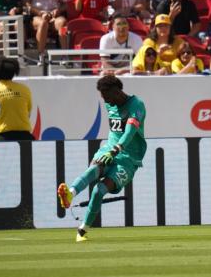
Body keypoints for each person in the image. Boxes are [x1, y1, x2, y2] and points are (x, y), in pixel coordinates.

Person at [57, 75, 147, 242]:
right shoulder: (109, 103)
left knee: (99, 191)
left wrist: (115, 150)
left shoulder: (137, 105)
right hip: (108, 150)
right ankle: (70, 193)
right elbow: (116, 130)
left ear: (116, 91)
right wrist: (109, 151)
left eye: (106, 95)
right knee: (94, 169)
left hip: (129, 159)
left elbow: (129, 132)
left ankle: (82, 230)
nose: (104, 99)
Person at [21, 0, 68, 66]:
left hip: (54, 15)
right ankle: (41, 55)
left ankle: (65, 54)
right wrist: (41, 13)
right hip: (36, 16)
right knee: (43, 23)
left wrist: (58, 10)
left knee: (63, 24)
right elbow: (26, 4)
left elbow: (65, 4)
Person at [0, 56, 35, 141]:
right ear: (13, 73)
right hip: (25, 138)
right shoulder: (24, 89)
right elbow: (28, 113)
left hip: (2, 138)